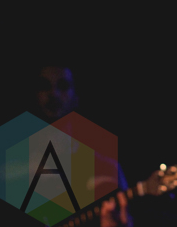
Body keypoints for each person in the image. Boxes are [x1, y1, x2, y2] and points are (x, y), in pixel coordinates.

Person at [33, 66, 133, 227]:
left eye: (63, 86)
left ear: (76, 96)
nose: (54, 94)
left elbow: (126, 218)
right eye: (44, 86)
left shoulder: (106, 169)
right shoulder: (11, 166)